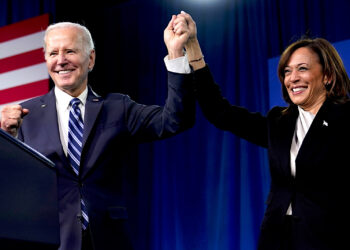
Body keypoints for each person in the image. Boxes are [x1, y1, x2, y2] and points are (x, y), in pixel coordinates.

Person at [0, 15, 195, 250]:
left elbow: (175, 120)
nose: (61, 61)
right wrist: (5, 138)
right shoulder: (25, 115)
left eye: (70, 51)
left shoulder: (118, 107)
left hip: (109, 240)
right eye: (53, 54)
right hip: (50, 241)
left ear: (90, 58)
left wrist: (175, 54)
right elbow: (12, 186)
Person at [178, 12, 350, 250]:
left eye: (302, 69)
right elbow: (220, 112)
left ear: (328, 75)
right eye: (287, 71)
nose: (293, 78)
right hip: (277, 239)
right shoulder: (279, 122)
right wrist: (193, 48)